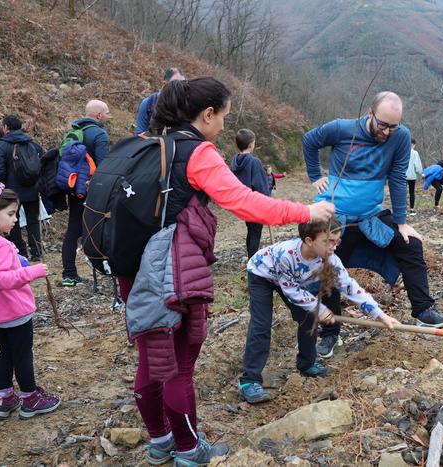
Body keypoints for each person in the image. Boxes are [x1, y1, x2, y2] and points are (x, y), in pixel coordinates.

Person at [116, 77, 335, 467]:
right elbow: (246, 203)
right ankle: (188, 449)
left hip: (134, 270)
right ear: (207, 114)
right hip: (172, 273)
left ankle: (161, 440)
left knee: (151, 360)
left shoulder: (147, 143)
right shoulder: (196, 152)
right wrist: (306, 212)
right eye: (224, 117)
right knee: (180, 365)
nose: (223, 128)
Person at [303, 91, 443, 359]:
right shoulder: (342, 129)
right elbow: (309, 140)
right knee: (325, 266)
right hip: (334, 216)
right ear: (370, 114)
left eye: (392, 126)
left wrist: (401, 222)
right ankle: (330, 333)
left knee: (411, 243)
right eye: (382, 124)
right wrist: (315, 176)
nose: (386, 132)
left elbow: (397, 177)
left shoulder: (400, 137)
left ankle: (423, 311)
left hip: (371, 215)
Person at [239, 217, 400, 403]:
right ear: (309, 240)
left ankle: (306, 364)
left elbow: (349, 287)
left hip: (292, 281)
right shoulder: (287, 255)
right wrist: (321, 309)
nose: (334, 246)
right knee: (261, 324)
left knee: (309, 317)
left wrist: (380, 315)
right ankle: (249, 380)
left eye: (336, 241)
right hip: (262, 274)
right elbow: (291, 290)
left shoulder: (330, 259)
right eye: (328, 241)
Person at [0, 184, 61, 420]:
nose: (15, 219)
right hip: (15, 312)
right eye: (10, 214)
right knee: (23, 354)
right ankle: (30, 397)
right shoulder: (2, 245)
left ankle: (4, 396)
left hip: (0, 315)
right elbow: (2, 278)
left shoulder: (3, 244)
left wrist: (19, 259)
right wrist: (31, 272)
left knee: (5, 353)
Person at [61, 100, 111, 287]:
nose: (108, 116)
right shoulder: (99, 134)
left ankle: (69, 273)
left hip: (74, 187)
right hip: (94, 189)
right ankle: (105, 267)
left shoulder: (73, 133)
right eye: (107, 113)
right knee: (98, 225)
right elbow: (104, 165)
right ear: (98, 115)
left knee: (73, 227)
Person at [0, 115, 45, 260]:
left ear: (6, 127)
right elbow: (42, 164)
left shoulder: (2, 145)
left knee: (13, 220)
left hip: (12, 191)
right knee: (33, 220)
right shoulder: (33, 143)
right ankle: (37, 252)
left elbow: (0, 170)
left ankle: (20, 251)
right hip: (32, 189)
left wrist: (2, 188)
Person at [230, 129, 270, 258]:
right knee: (255, 232)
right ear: (251, 144)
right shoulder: (254, 162)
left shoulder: (235, 161)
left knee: (251, 230)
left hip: (242, 202)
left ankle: (250, 258)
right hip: (255, 203)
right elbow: (261, 185)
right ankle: (252, 261)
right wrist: (268, 203)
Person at [135, 68, 185, 134]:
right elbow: (139, 134)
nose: (179, 87)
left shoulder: (185, 106)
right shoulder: (148, 103)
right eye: (175, 83)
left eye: (183, 83)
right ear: (164, 84)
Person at [405, 137, 423, 214]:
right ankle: (412, 210)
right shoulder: (415, 153)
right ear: (412, 144)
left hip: (403, 175)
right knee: (412, 192)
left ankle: (404, 210)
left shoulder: (402, 151)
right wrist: (420, 173)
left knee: (403, 192)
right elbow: (417, 165)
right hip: (412, 176)